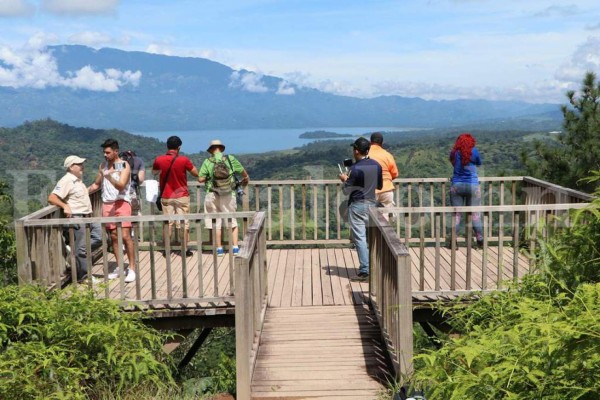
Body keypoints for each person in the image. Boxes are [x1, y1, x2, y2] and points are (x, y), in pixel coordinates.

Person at [88, 139, 137, 283]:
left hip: (122, 202)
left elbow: (121, 185)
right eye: (104, 152)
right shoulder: (103, 165)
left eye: (108, 152)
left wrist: (109, 176)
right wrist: (82, 192)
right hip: (107, 203)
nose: (105, 155)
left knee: (126, 235)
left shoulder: (123, 165)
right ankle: (120, 266)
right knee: (114, 236)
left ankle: (132, 268)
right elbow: (96, 184)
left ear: (116, 151)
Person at [48, 155, 102, 282]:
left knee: (100, 237)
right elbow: (52, 197)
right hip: (77, 218)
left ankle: (75, 254)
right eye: (79, 164)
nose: (82, 166)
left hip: (88, 216)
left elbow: (91, 189)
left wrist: (100, 174)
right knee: (82, 248)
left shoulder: (78, 180)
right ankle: (84, 276)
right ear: (71, 167)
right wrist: (64, 205)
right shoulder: (66, 180)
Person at [339, 137, 382, 281]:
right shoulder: (377, 165)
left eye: (353, 149)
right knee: (372, 238)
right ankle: (375, 268)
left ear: (357, 151)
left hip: (357, 205)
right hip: (372, 204)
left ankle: (365, 271)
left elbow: (347, 191)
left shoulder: (355, 168)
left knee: (360, 238)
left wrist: (345, 180)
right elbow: (380, 186)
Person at [198, 139, 249, 256]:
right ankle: (235, 248)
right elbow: (243, 173)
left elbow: (200, 179)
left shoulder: (207, 161)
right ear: (221, 148)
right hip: (228, 194)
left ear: (211, 150)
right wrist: (245, 180)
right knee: (232, 219)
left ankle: (219, 249)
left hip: (212, 193)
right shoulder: (230, 159)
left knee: (216, 222)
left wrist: (210, 178)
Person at [152, 136, 200, 257]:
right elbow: (196, 173)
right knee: (184, 223)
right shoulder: (184, 160)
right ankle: (184, 250)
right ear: (179, 148)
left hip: (166, 196)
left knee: (168, 223)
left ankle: (166, 250)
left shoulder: (159, 159)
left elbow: (154, 172)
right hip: (182, 196)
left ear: (167, 146)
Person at [449, 132, 484, 247]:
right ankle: (480, 238)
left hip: (457, 185)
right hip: (473, 186)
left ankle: (454, 240)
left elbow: (452, 162)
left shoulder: (454, 152)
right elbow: (479, 163)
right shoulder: (474, 151)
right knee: (475, 214)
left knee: (457, 215)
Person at [369, 132, 399, 208]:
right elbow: (395, 173)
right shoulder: (387, 155)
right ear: (382, 143)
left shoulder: (365, 154)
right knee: (385, 216)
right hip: (386, 189)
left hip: (370, 189)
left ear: (370, 141)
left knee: (369, 216)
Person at [120, 150, 145, 216]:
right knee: (134, 217)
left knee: (121, 217)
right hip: (131, 192)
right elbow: (141, 179)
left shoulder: (118, 161)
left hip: (118, 193)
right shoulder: (139, 161)